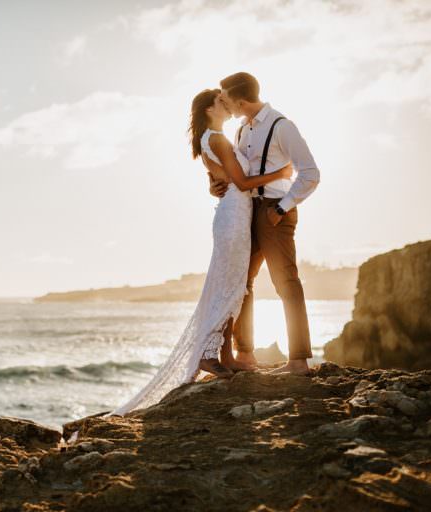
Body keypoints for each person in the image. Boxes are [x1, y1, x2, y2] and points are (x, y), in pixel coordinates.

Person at [104, 88, 292, 417]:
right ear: (209, 109)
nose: (228, 104)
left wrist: (214, 184)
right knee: (232, 284)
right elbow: (244, 183)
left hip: (234, 212)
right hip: (234, 214)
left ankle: (228, 357)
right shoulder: (216, 139)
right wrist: (281, 173)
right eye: (221, 101)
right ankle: (209, 354)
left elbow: (222, 178)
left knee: (235, 284)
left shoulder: (213, 138)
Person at [205, 72, 321, 375]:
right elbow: (234, 174)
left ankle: (298, 361)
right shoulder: (242, 130)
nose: (224, 104)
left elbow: (310, 173)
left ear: (241, 101)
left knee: (286, 281)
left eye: (226, 99)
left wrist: (282, 207)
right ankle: (245, 355)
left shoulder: (282, 126)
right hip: (246, 210)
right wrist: (214, 185)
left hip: (274, 210)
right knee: (242, 283)